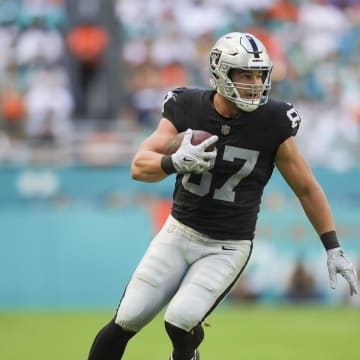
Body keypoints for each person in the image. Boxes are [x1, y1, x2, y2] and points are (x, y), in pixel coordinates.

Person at [87, 32, 358, 360]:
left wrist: (333, 247)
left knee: (180, 320)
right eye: (245, 74)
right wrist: (172, 162)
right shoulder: (187, 106)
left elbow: (306, 187)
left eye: (260, 75)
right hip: (178, 232)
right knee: (127, 318)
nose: (255, 83)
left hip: (227, 246)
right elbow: (139, 165)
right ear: (220, 73)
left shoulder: (273, 121)